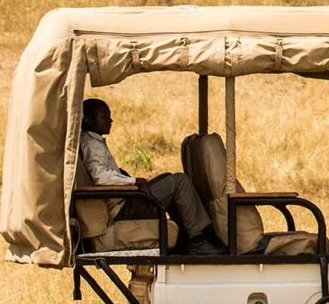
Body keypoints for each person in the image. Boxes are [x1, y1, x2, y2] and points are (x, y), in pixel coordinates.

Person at [78, 98, 225, 255]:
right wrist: (133, 181)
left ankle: (189, 237)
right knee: (179, 182)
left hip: (125, 201)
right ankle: (197, 240)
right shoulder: (91, 145)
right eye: (104, 116)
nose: (110, 120)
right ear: (87, 120)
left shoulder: (93, 142)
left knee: (170, 179)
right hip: (123, 208)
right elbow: (100, 176)